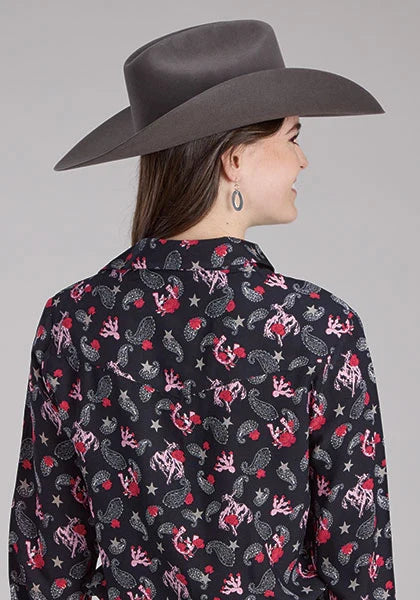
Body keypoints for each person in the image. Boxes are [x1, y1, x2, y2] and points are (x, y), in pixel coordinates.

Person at [8, 19, 397, 600]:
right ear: (234, 159)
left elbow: (44, 562)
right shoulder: (318, 325)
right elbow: (358, 565)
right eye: (293, 136)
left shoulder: (72, 322)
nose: (302, 161)